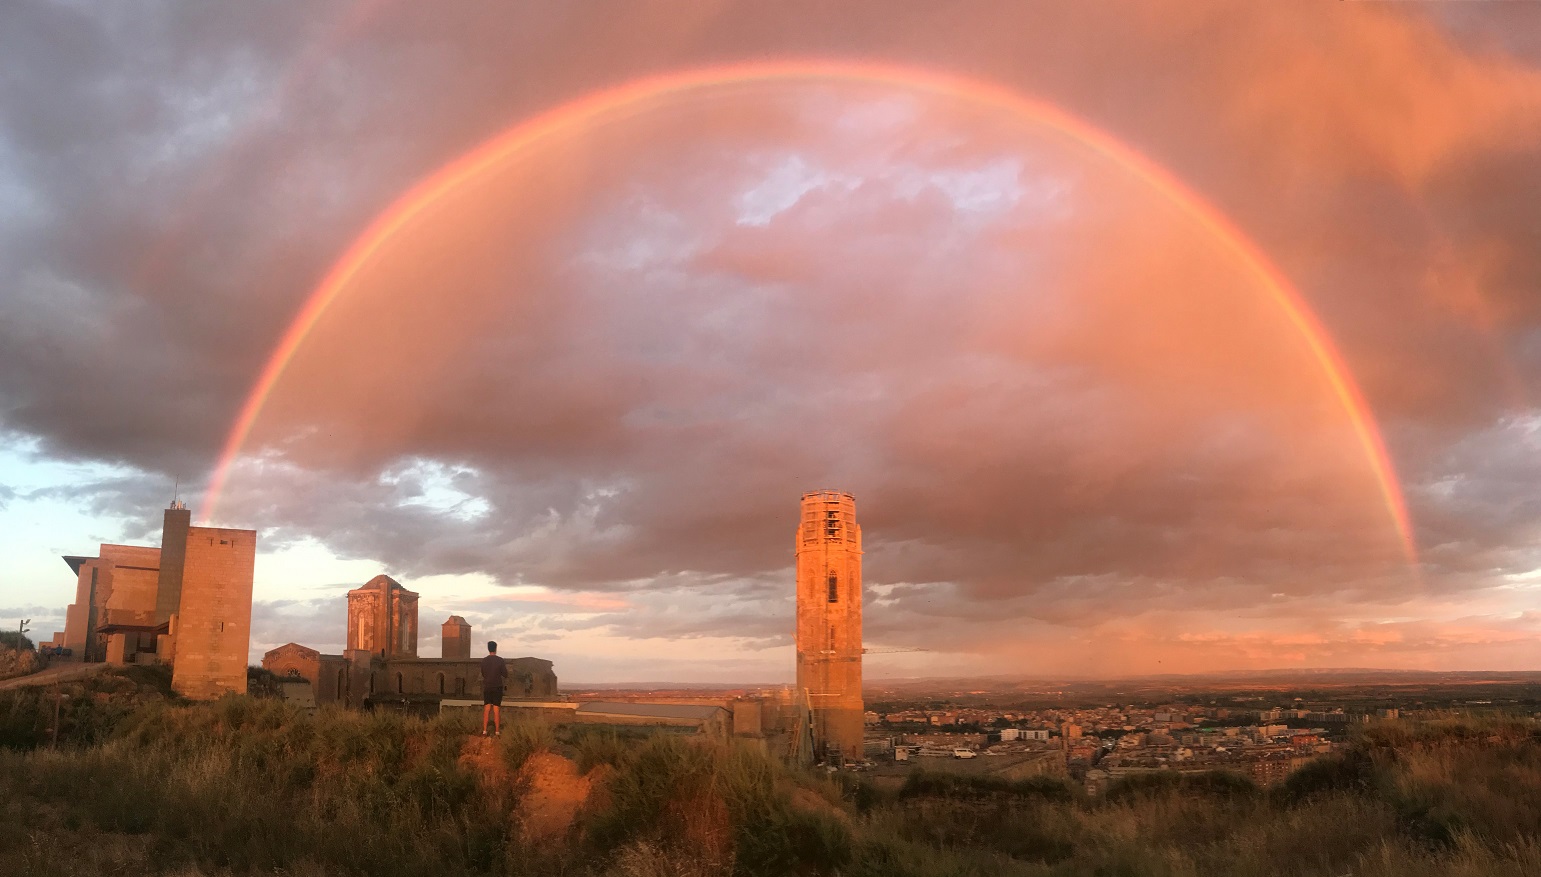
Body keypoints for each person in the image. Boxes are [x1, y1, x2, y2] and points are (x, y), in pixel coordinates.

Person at [481, 640, 509, 737]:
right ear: (495, 649)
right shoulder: (500, 660)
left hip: (487, 687)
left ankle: (484, 731)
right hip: (497, 687)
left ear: (488, 649)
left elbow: (483, 673)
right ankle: (497, 732)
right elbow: (505, 674)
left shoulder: (484, 660)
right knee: (496, 710)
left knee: (487, 709)